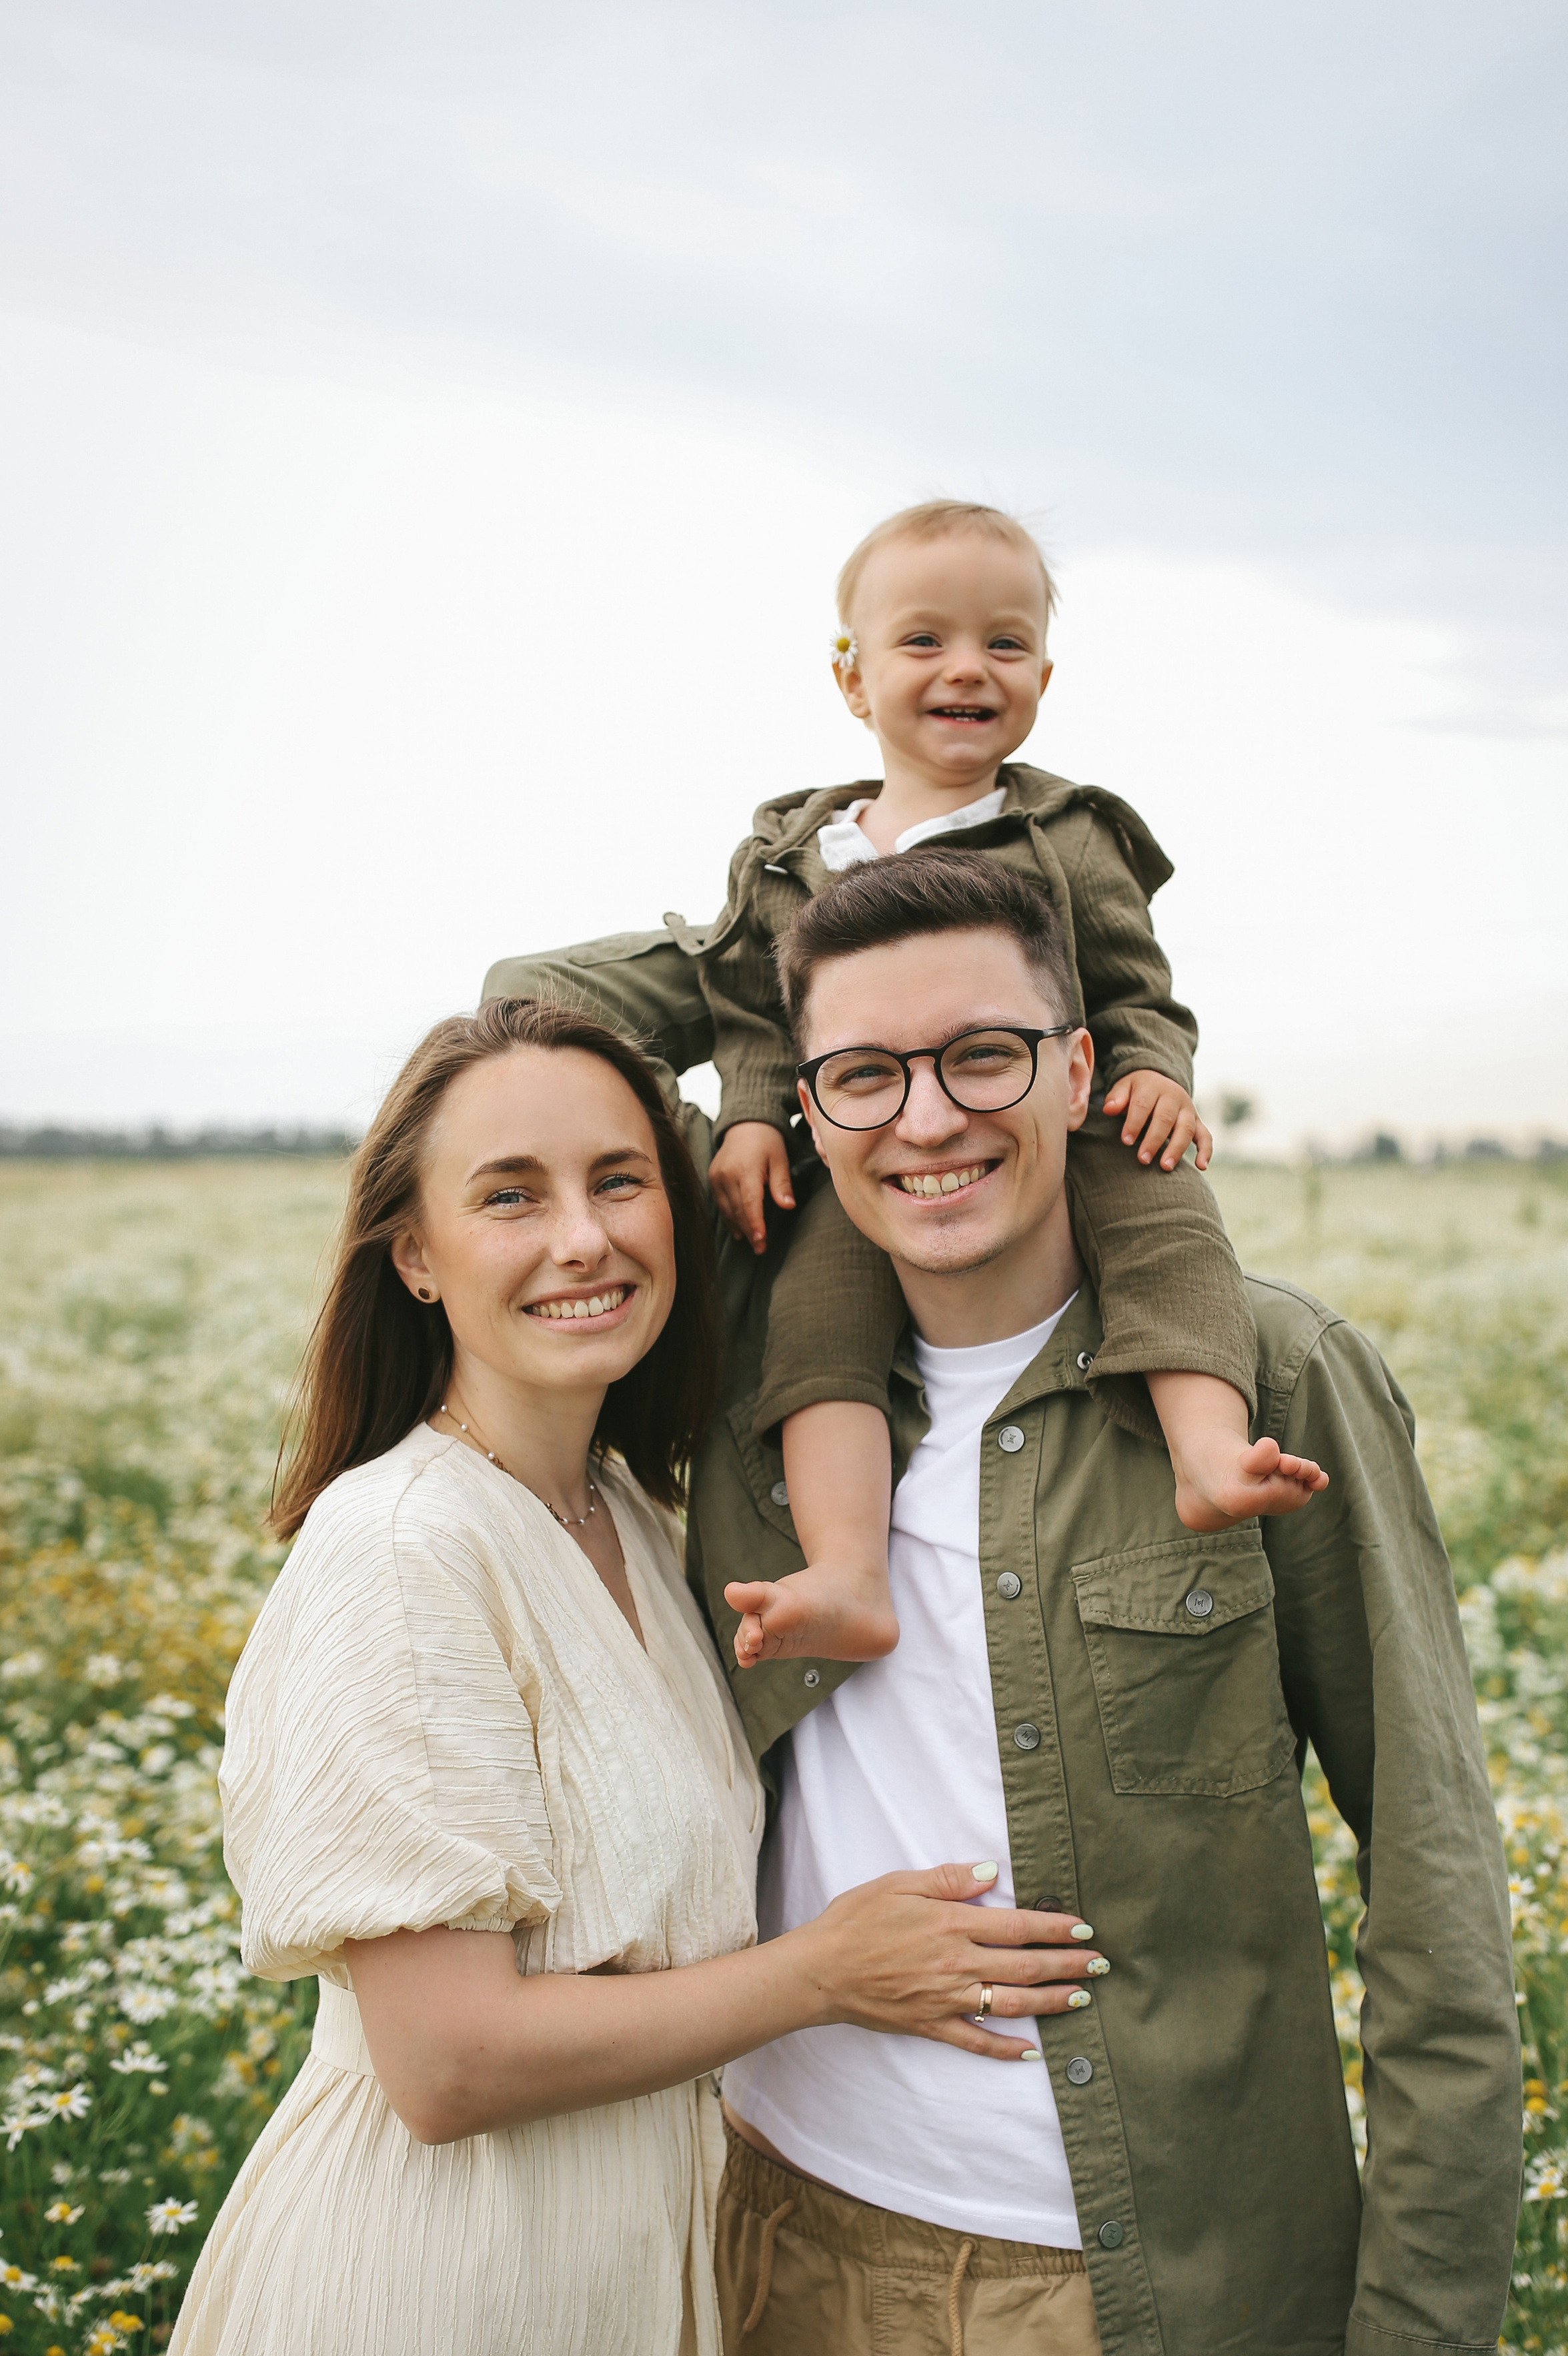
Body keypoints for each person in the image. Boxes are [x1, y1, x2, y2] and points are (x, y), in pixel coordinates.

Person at [499, 860, 1523, 2356]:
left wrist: (1430, 2321)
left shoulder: (1266, 1379)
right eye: (865, 1076)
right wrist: (772, 950)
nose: (926, 1123)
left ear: (1078, 1066)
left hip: (1123, 2330)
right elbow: (536, 1001)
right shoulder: (745, 1354)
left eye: (983, 1055)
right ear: (807, 1104)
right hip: (771, 2262)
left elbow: (1430, 1862)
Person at [123, 997, 1108, 2356]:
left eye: (619, 1180)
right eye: (510, 1194)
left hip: (615, 2314)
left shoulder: (637, 1525)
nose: (580, 1237)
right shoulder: (404, 1548)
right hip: (438, 2321)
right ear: (418, 1254)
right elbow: (443, 2065)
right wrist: (826, 1974)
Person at [490, 498, 1326, 1684]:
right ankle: (849, 1572)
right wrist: (745, 1121)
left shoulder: (1071, 837)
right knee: (815, 1330)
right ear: (852, 676)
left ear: (1043, 670)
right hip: (865, 1159)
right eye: (924, 641)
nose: (967, 669)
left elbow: (1138, 988)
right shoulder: (794, 859)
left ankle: (1206, 1454)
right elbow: (753, 1019)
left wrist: (1152, 1075)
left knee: (1175, 1232)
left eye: (1005, 642)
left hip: (1070, 1135)